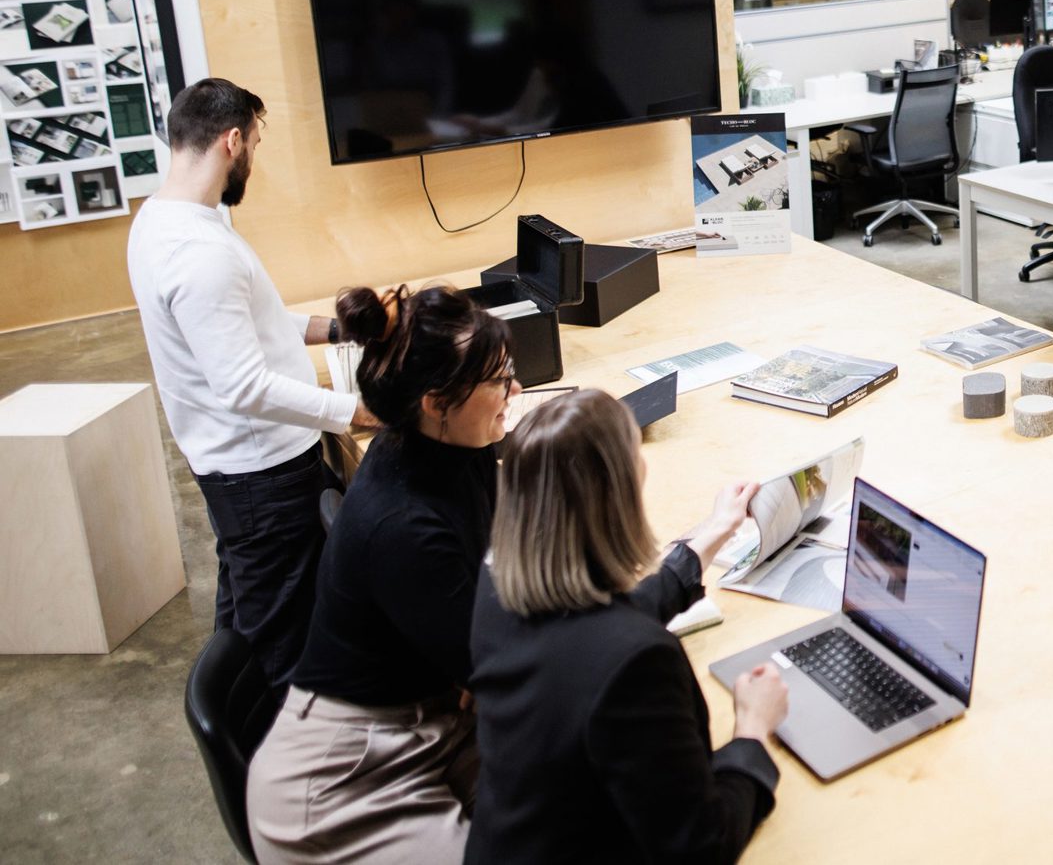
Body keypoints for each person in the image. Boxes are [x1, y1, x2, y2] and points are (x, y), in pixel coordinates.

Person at [247, 284, 517, 864]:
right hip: (341, 784)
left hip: (426, 724)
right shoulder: (401, 524)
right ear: (435, 402)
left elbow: (491, 639)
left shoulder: (450, 448)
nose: (514, 392)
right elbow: (503, 669)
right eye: (498, 382)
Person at [466, 389, 785, 864]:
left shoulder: (497, 586)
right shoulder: (638, 661)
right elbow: (700, 846)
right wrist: (752, 732)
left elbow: (589, 631)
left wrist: (711, 535)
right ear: (618, 495)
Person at [126, 77, 375, 683]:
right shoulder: (199, 251)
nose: (254, 163)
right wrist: (358, 414)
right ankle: (279, 768)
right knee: (284, 648)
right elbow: (245, 386)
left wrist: (336, 329)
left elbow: (250, 324)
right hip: (262, 479)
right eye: (257, 145)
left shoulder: (163, 221)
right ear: (232, 141)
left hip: (234, 470)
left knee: (242, 619)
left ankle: (233, 730)